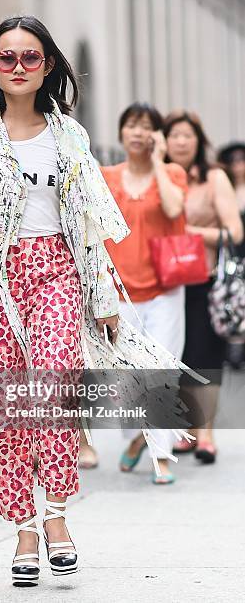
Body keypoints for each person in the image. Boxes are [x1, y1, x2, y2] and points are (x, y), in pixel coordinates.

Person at [0, 16, 201, 587]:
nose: (17, 69)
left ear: (48, 65)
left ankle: (56, 518)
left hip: (57, 270)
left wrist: (104, 295)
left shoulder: (70, 137)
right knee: (9, 410)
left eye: (29, 58)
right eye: (5, 59)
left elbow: (89, 224)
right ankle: (24, 532)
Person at [100, 103, 188, 485]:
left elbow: (173, 207)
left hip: (165, 289)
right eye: (132, 125)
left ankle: (162, 456)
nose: (138, 133)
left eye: (146, 127)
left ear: (156, 135)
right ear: (121, 132)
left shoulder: (171, 173)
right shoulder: (106, 176)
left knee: (162, 371)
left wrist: (158, 161)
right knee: (128, 377)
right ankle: (139, 436)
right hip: (118, 291)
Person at [165, 111, 243, 463]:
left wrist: (189, 233)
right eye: (174, 135)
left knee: (204, 357)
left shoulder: (213, 178)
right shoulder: (159, 176)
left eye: (187, 135)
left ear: (198, 141)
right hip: (162, 282)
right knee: (173, 357)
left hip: (204, 280)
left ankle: (206, 434)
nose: (181, 141)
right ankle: (183, 429)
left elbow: (234, 231)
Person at [217, 142, 245, 369]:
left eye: (241, 160)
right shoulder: (224, 188)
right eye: (233, 161)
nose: (238, 166)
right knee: (233, 300)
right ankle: (234, 350)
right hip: (233, 254)